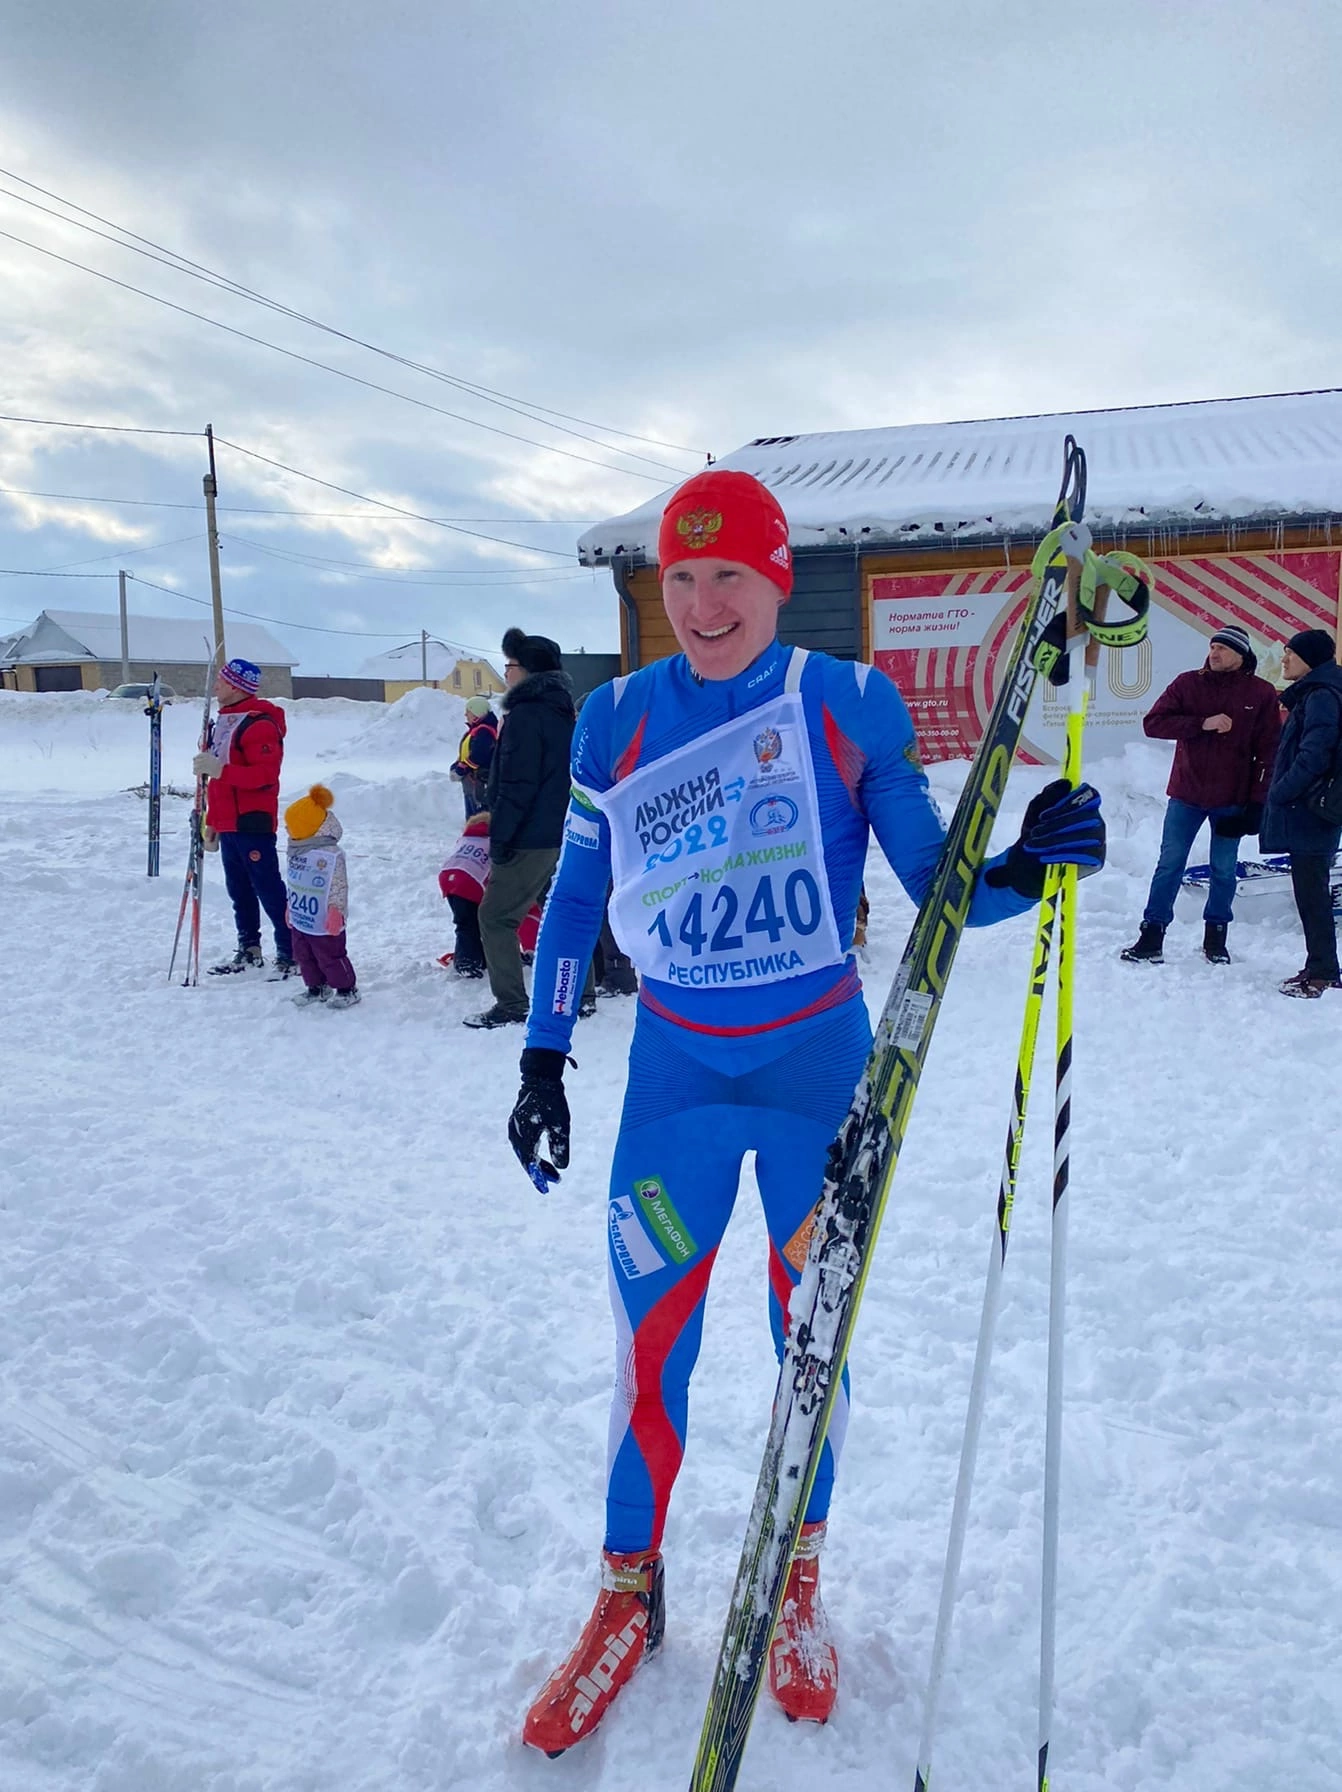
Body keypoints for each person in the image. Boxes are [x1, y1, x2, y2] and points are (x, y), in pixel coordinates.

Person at [503, 468, 1108, 1755]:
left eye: (732, 576)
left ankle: (795, 1581)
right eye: (682, 577)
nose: (705, 602)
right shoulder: (614, 719)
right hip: (673, 1076)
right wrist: (543, 1054)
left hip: (817, 1079)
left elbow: (933, 883)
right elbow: (570, 896)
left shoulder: (840, 703)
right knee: (648, 1349)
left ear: (777, 582)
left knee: (809, 1345)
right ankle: (624, 1591)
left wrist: (1019, 863)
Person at [1122, 625, 1281, 965]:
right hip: (1186, 793)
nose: (1215, 653)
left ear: (1241, 655)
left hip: (1232, 798)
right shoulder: (1188, 683)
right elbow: (1154, 723)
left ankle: (1216, 938)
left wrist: (1256, 803)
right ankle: (1151, 935)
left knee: (1223, 870)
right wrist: (1201, 723)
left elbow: (1269, 751)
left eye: (1223, 648)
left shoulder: (1261, 693)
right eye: (1212, 647)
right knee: (1170, 864)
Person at [465, 627, 593, 1028]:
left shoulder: (524, 716)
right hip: (561, 830)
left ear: (529, 671)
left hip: (530, 836)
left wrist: (501, 837)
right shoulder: (562, 711)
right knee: (563, 913)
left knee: (495, 916)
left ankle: (511, 1003)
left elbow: (518, 785)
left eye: (510, 665)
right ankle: (582, 995)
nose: (506, 673)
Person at [196, 658, 295, 977]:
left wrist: (220, 770)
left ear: (238, 686)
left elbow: (265, 776)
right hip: (228, 822)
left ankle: (290, 951)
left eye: (222, 683)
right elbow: (218, 780)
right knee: (238, 889)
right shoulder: (223, 721)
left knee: (267, 888)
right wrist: (212, 821)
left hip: (253, 820)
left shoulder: (259, 724)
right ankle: (249, 948)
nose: (215, 687)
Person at [1260, 629, 1342, 997]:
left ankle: (1323, 972)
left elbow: (1314, 755)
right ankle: (1317, 964)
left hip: (1311, 809)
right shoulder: (1317, 692)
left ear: (1310, 659)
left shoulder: (1321, 696)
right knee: (1310, 891)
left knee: (1312, 894)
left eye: (1291, 653)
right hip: (1314, 806)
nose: (1285, 659)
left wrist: (1281, 791)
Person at [282, 784, 359, 1007]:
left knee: (329, 954)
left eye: (291, 826)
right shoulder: (297, 849)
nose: (287, 830)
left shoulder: (331, 855)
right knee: (303, 954)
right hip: (302, 915)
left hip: (324, 917)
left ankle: (347, 989)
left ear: (309, 829)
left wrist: (337, 911)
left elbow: (338, 886)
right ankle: (316, 987)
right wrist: (290, 906)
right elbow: (295, 881)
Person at [437, 812, 541, 977]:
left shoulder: (466, 839)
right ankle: (469, 962)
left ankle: (472, 957)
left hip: (448, 876)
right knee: (476, 923)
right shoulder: (495, 841)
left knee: (465, 922)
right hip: (471, 880)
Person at [451, 695, 498, 817]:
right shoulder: (477, 730)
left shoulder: (484, 731)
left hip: (481, 778)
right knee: (472, 801)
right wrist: (457, 764)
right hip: (473, 777)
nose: (466, 715)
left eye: (468, 711)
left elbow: (479, 754)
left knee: (478, 805)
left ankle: (478, 829)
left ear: (477, 712)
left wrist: (463, 768)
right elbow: (468, 750)